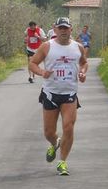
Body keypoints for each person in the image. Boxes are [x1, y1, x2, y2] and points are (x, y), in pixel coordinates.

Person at [29, 16, 88, 176]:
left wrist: (82, 72)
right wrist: (42, 72)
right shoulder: (47, 47)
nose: (63, 31)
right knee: (49, 132)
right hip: (50, 93)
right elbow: (32, 63)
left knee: (68, 127)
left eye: (66, 28)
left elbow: (84, 62)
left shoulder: (78, 47)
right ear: (55, 30)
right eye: (60, 28)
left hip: (69, 93)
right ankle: (55, 143)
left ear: (70, 30)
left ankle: (62, 162)